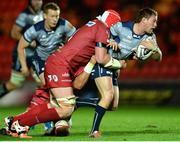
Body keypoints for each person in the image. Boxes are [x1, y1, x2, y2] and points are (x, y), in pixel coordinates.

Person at [3, 9, 123, 138]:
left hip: (58, 64)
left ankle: (15, 120)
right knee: (66, 109)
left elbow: (78, 84)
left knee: (52, 105)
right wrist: (119, 64)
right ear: (113, 23)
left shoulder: (93, 24)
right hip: (60, 66)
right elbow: (101, 58)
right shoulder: (102, 28)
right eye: (117, 25)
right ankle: (21, 124)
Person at [78, 7, 162, 138]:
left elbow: (158, 59)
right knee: (108, 96)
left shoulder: (150, 37)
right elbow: (102, 34)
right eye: (154, 21)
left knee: (112, 105)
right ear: (144, 20)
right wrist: (110, 40)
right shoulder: (121, 27)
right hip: (105, 61)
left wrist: (155, 49)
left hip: (116, 67)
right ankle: (94, 131)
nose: (155, 25)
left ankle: (78, 102)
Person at [17, 2, 76, 135]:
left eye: (57, 16)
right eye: (52, 16)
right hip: (41, 60)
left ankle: (35, 110)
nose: (55, 19)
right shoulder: (35, 29)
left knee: (55, 89)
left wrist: (66, 46)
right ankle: (53, 120)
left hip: (58, 61)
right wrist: (24, 66)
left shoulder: (64, 25)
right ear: (44, 16)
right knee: (47, 85)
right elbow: (21, 46)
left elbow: (77, 39)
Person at [0, 0, 43, 97]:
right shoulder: (24, 16)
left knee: (42, 81)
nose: (37, 2)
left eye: (39, 0)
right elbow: (14, 33)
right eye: (35, 0)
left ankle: (40, 108)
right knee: (15, 83)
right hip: (23, 53)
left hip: (37, 53)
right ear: (30, 2)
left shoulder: (43, 14)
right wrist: (29, 41)